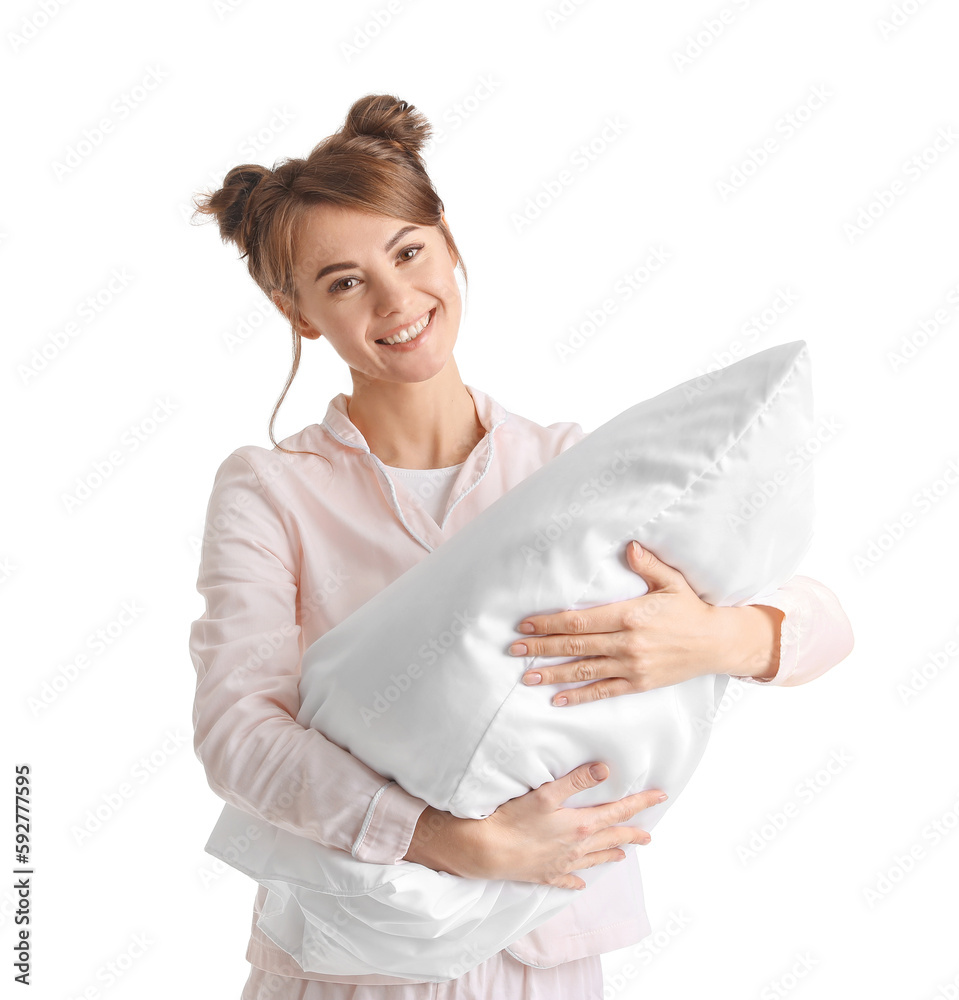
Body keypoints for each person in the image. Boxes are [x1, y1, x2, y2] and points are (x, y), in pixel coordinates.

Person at [189, 93, 855, 1000]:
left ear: (448, 242)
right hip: (350, 954)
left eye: (407, 251)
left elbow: (826, 624)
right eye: (343, 282)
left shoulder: (565, 467)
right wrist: (441, 838)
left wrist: (717, 639)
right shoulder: (272, 490)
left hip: (546, 948)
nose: (394, 299)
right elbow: (237, 732)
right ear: (297, 312)